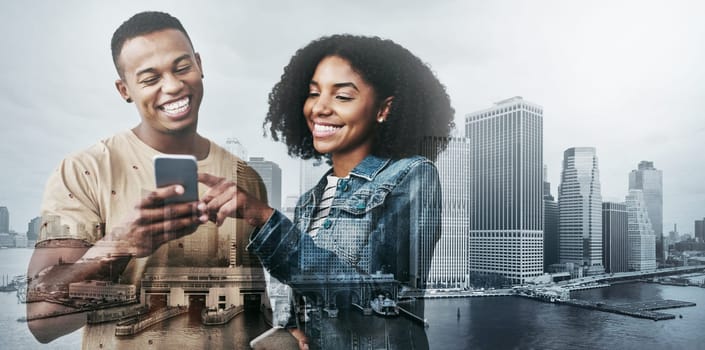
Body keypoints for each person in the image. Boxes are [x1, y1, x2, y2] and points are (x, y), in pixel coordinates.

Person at [26, 11, 267, 348]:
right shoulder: (84, 170)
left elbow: (252, 308)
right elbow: (41, 320)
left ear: (199, 64)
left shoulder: (247, 178)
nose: (172, 85)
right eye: (150, 78)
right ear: (124, 90)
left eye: (182, 67)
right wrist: (119, 245)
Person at [199, 34, 455, 349]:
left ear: (383, 109)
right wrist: (294, 329)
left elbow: (381, 297)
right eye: (313, 93)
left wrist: (266, 221)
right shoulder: (309, 200)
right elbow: (305, 296)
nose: (320, 108)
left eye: (342, 96)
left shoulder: (413, 176)